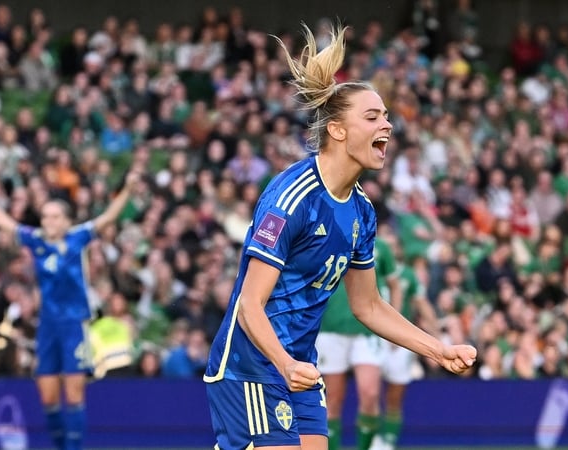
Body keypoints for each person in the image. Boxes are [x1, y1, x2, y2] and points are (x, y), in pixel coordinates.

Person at [202, 24, 477, 450]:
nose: (387, 125)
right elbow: (249, 306)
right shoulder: (291, 198)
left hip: (300, 368)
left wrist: (436, 350)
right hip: (251, 367)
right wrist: (283, 363)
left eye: (386, 115)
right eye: (373, 116)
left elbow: (368, 305)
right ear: (337, 130)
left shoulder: (362, 211)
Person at [0, 171, 140, 450]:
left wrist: (127, 189)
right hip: (47, 326)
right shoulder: (37, 240)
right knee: (48, 398)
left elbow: (107, 218)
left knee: (74, 394)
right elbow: (5, 223)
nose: (49, 221)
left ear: (67, 221)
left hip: (74, 324)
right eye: (45, 217)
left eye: (55, 217)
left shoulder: (78, 237)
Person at [316, 235, 402, 450]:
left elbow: (395, 285)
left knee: (370, 393)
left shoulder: (379, 246)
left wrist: (394, 323)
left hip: (368, 330)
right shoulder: (325, 239)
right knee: (332, 398)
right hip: (331, 327)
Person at [369, 231, 441, 450]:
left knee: (395, 392)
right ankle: (372, 438)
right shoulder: (367, 268)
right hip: (371, 336)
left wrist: (436, 334)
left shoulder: (408, 274)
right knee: (370, 391)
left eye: (393, 245)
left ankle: (388, 440)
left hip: (400, 340)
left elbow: (421, 303)